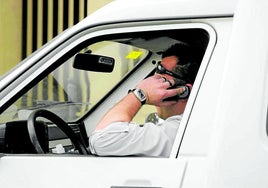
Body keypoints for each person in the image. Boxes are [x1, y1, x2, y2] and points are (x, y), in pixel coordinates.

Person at [89, 43, 199, 157]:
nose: (153, 78)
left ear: (183, 91)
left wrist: (140, 94)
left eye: (161, 74)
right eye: (157, 69)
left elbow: (102, 140)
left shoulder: (179, 131)